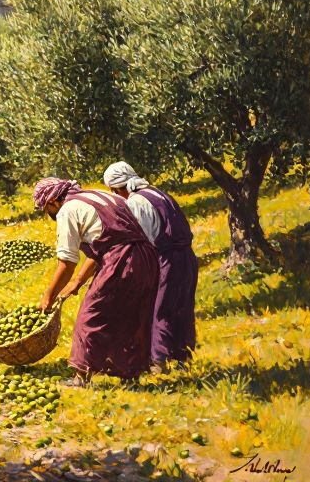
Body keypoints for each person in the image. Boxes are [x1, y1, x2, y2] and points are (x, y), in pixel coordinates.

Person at [33, 177, 160, 387]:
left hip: (120, 261)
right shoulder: (100, 195)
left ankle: (81, 377)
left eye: (47, 209)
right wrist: (77, 282)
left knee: (91, 316)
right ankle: (130, 376)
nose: (49, 214)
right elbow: (106, 245)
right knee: (131, 316)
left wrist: (48, 297)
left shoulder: (67, 209)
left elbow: (66, 263)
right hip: (146, 257)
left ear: (53, 200)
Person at [103, 162, 199, 372]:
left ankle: (159, 361)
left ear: (117, 188)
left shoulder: (136, 202)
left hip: (166, 258)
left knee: (160, 309)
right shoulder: (158, 193)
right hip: (187, 256)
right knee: (182, 307)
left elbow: (143, 240)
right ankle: (183, 357)